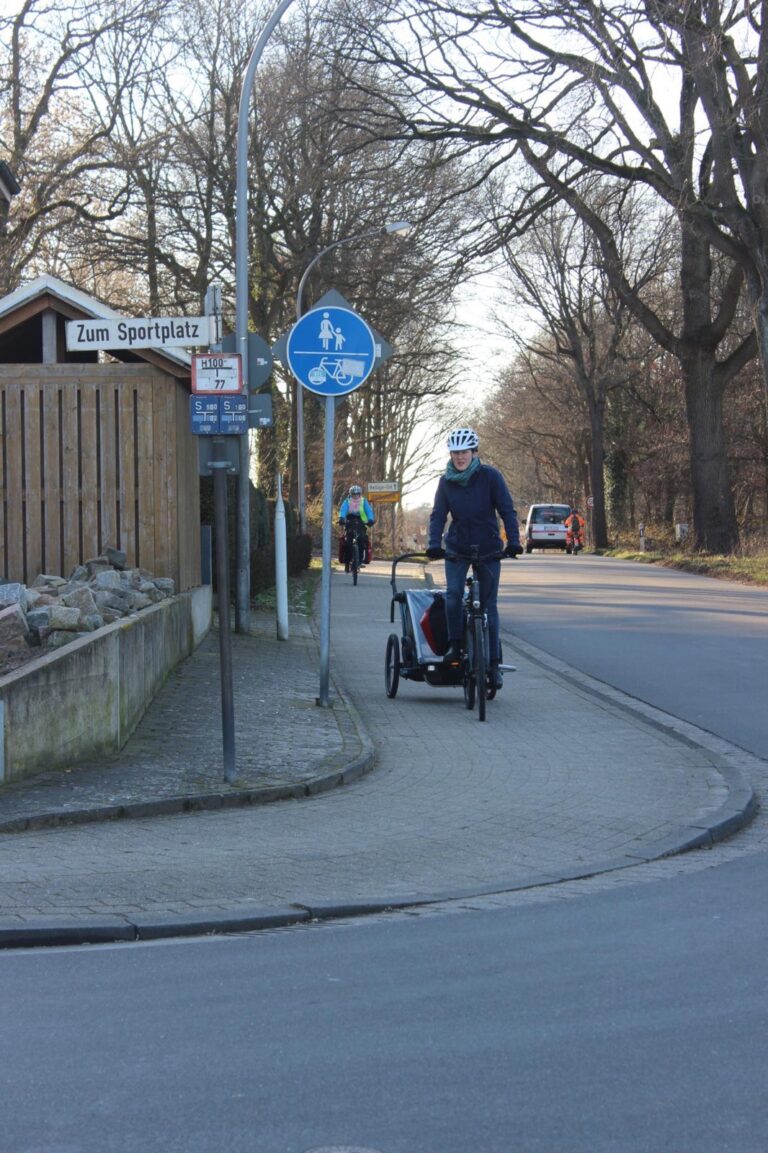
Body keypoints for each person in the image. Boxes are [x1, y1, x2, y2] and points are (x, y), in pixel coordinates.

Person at [426, 427, 522, 689]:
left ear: (473, 453)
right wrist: (434, 544)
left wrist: (514, 541)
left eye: (464, 452)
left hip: (489, 547)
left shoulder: (490, 476)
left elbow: (506, 510)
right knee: (454, 595)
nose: (460, 457)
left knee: (489, 605)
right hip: (457, 548)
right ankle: (456, 646)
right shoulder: (446, 482)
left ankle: (493, 663)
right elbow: (438, 515)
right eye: (455, 453)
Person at [338, 484, 376, 569]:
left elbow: (369, 511)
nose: (355, 496)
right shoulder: (347, 501)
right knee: (348, 543)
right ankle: (347, 562)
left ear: (360, 494)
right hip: (349, 521)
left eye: (357, 494)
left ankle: (359, 561)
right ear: (350, 494)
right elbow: (343, 510)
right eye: (353, 494)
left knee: (362, 540)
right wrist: (341, 518)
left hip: (361, 522)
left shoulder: (363, 501)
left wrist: (370, 519)